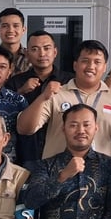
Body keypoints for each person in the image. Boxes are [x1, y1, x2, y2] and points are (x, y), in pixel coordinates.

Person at [17, 39, 111, 171]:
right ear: (75, 65)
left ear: (104, 67)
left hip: (100, 177)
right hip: (57, 174)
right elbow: (24, 129)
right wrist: (42, 98)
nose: (91, 66)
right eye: (85, 61)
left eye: (97, 62)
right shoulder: (56, 94)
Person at [7, 29, 72, 165]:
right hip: (25, 155)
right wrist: (21, 92)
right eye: (35, 49)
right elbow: (5, 115)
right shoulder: (16, 82)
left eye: (46, 48)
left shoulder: (69, 81)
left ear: (55, 52)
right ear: (27, 54)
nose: (42, 54)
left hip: (61, 155)